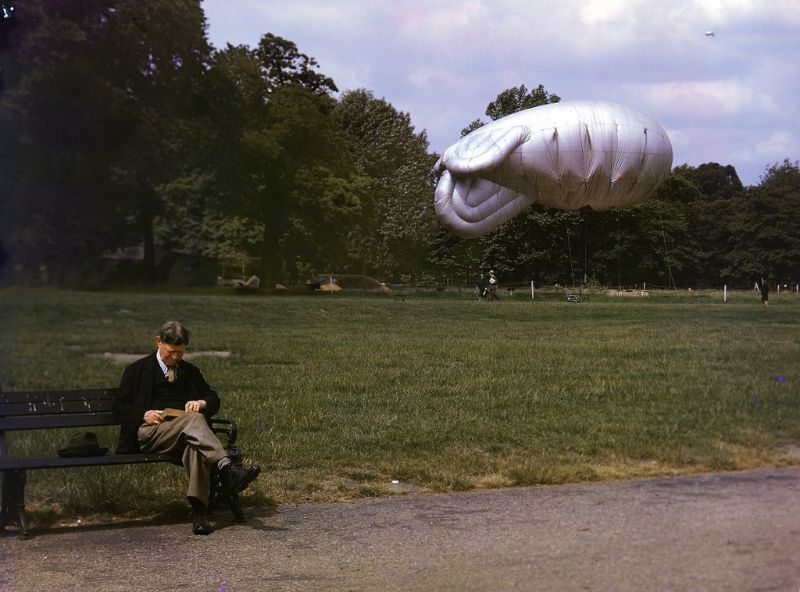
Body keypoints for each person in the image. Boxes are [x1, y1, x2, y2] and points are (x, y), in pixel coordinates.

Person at [113, 320, 260, 535]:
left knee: (196, 448)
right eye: (171, 352)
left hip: (187, 435)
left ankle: (199, 513)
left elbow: (213, 398)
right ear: (158, 342)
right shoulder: (137, 370)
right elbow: (119, 407)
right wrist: (143, 414)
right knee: (194, 420)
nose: (175, 358)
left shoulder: (189, 371)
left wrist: (203, 403)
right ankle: (227, 468)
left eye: (180, 353)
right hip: (152, 432)